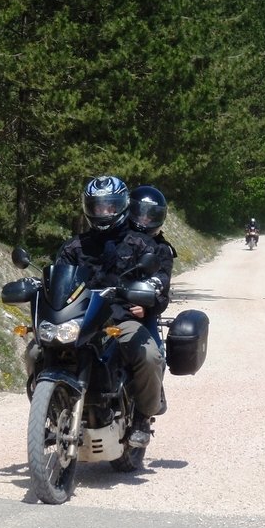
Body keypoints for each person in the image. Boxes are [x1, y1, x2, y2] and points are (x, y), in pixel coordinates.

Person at [53, 175, 167, 448]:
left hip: (120, 318)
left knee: (149, 356)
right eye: (98, 206)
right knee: (35, 348)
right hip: (79, 319)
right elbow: (57, 279)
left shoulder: (141, 245)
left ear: (122, 206)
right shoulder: (74, 247)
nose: (103, 212)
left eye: (109, 206)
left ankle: (142, 416)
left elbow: (160, 288)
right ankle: (50, 404)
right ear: (88, 207)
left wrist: (148, 298)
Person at [129, 185, 176, 416]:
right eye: (140, 212)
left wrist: (147, 309)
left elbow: (162, 291)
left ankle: (147, 407)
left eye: (151, 214)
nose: (144, 219)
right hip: (104, 308)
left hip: (141, 312)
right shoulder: (116, 240)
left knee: (154, 355)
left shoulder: (162, 249)